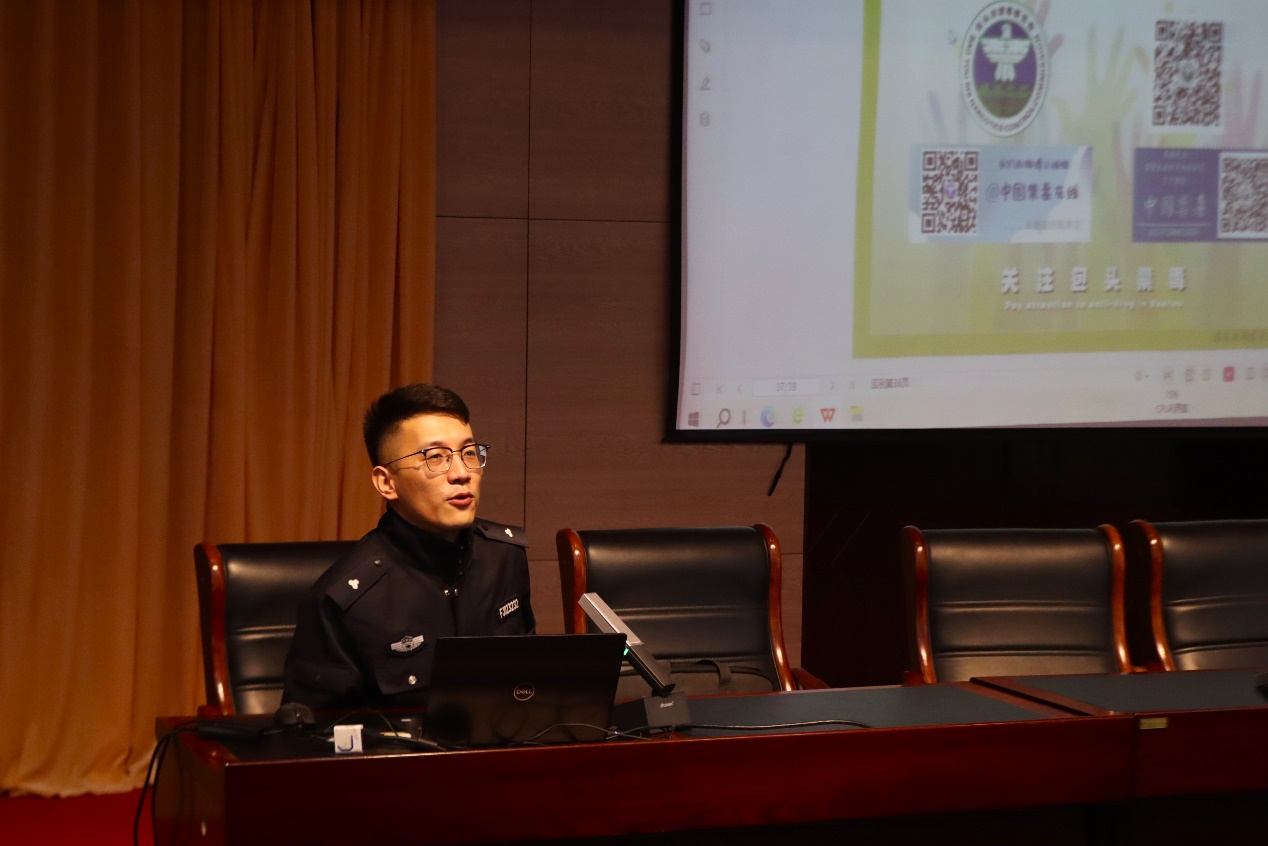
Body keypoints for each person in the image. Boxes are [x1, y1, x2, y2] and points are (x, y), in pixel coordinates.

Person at [281, 383, 535, 711]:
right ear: (386, 482)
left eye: (469, 453)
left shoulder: (505, 557)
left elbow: (527, 687)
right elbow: (312, 732)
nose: (462, 473)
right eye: (436, 458)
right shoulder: (343, 599)